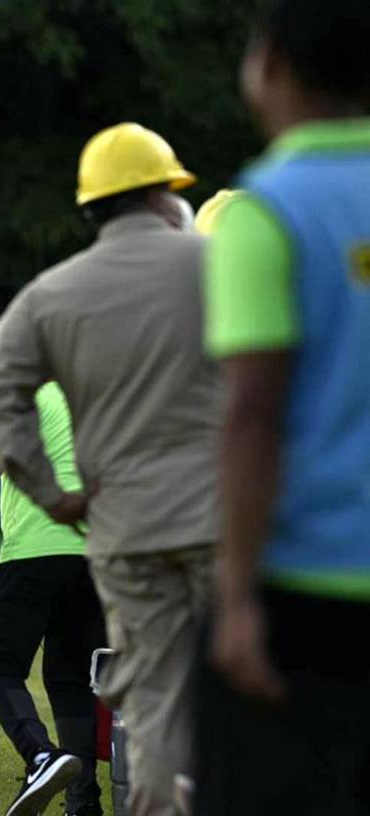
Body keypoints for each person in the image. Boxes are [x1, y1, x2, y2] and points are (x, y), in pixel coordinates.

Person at [0, 123, 218, 816]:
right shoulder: (215, 268)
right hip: (214, 516)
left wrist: (55, 497)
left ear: (90, 207)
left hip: (122, 530)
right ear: (166, 198)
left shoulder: (53, 293)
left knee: (149, 692)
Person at [197, 3, 370, 814]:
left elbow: (253, 414)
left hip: (303, 585)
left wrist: (234, 597)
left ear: (271, 64)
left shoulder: (266, 207)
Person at [0, 383, 106, 816]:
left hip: (35, 548)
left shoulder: (33, 381)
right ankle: (83, 803)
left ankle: (40, 755)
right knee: (72, 679)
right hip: (95, 551)